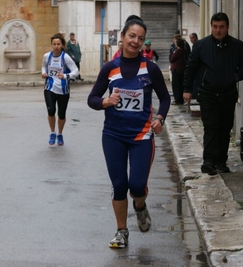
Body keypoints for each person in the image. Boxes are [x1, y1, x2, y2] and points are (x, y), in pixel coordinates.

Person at [88, 15, 170, 248]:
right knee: (119, 185)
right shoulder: (110, 69)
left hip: (141, 136)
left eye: (140, 38)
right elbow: (92, 99)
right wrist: (106, 101)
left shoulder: (151, 69)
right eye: (131, 36)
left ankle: (140, 206)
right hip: (113, 135)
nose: (135, 41)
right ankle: (121, 231)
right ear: (122, 37)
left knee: (137, 186)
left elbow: (164, 98)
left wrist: (160, 119)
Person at [183, 12, 243, 175]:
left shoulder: (237, 46)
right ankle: (209, 161)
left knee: (224, 127)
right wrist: (187, 89)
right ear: (211, 26)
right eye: (215, 27)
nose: (218, 30)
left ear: (227, 27)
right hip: (207, 93)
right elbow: (190, 68)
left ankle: (221, 161)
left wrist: (235, 77)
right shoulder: (201, 45)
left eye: (221, 27)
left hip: (228, 94)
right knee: (211, 126)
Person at [41, 33, 79, 146]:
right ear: (51, 45)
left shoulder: (65, 57)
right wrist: (43, 73)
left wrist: (66, 76)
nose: (56, 46)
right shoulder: (47, 56)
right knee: (51, 110)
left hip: (63, 90)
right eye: (54, 44)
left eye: (58, 44)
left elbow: (76, 71)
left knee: (61, 114)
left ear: (62, 45)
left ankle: (60, 134)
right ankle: (52, 132)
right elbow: (43, 66)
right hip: (49, 87)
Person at [170, 38, 186, 105]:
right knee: (180, 85)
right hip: (181, 69)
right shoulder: (183, 50)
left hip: (176, 70)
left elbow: (172, 59)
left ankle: (178, 99)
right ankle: (180, 99)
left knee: (176, 85)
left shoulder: (178, 51)